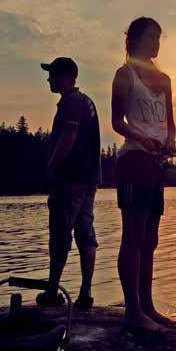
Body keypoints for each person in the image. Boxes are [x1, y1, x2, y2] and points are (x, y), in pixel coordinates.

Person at [111, 17, 176, 332]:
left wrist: (170, 141)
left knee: (150, 239)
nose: (157, 42)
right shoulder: (124, 75)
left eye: (159, 37)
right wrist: (142, 138)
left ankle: (148, 307)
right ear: (135, 39)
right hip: (133, 161)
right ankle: (132, 312)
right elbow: (117, 122)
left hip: (156, 164)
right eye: (152, 36)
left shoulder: (164, 79)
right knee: (133, 237)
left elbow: (171, 122)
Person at [37, 57, 101, 310]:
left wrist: (52, 166)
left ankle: (52, 291)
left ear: (66, 76)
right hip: (89, 178)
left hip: (71, 179)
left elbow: (69, 134)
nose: (49, 79)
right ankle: (85, 293)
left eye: (52, 74)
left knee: (60, 233)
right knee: (85, 232)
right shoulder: (87, 101)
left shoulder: (71, 102)